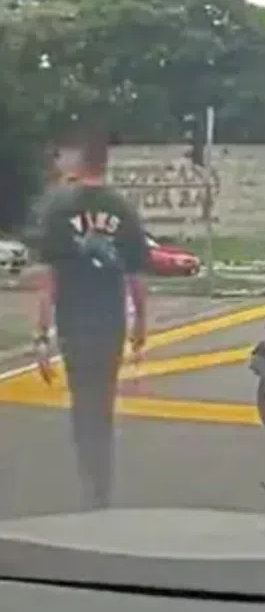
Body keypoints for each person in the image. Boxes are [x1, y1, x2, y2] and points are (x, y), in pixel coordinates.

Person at [35, 132, 149, 510]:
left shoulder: (57, 211)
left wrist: (41, 335)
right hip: (110, 323)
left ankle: (90, 478)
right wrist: (141, 324)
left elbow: (49, 279)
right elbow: (135, 277)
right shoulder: (124, 209)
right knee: (103, 401)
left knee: (82, 402)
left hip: (72, 322)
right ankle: (103, 483)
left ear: (79, 162)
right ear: (105, 163)